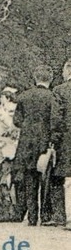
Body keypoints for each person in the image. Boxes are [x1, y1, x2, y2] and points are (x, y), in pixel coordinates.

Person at [12, 66, 60, 226]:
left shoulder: (23, 96)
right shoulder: (53, 96)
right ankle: (45, 216)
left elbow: (16, 121)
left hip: (26, 142)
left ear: (34, 77)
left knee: (29, 178)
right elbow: (55, 120)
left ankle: (32, 216)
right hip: (45, 142)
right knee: (46, 179)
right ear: (51, 78)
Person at [52, 58, 71, 230]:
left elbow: (56, 119)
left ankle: (64, 217)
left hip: (66, 140)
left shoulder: (60, 90)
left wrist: (54, 139)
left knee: (63, 178)